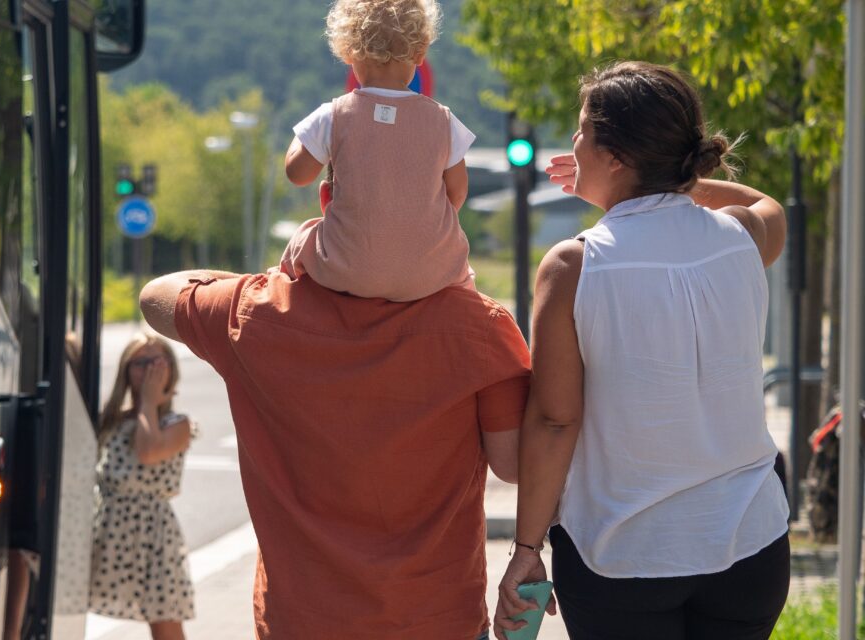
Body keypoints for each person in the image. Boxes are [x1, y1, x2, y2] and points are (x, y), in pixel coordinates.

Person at [494, 61, 790, 640]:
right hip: (751, 543)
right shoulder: (742, 238)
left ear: (615, 157)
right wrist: (677, 178)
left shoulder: (574, 266)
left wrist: (526, 549)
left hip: (623, 554)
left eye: (582, 130)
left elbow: (556, 421)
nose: (573, 142)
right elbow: (766, 202)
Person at [138, 266, 529, 638]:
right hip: (437, 620)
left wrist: (281, 277)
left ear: (327, 202)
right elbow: (513, 465)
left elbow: (157, 296)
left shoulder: (258, 309)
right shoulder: (478, 325)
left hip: (301, 623)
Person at [277, 0, 477, 302]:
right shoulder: (444, 121)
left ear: (347, 52)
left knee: (303, 236)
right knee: (463, 270)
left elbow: (297, 174)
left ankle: (285, 296)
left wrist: (305, 134)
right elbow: (457, 192)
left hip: (345, 269)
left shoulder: (334, 115)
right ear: (420, 53)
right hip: (430, 274)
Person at [89, 333, 196, 640]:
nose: (149, 371)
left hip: (153, 536)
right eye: (140, 363)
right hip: (107, 529)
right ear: (125, 370)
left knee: (165, 622)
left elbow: (148, 452)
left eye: (157, 363)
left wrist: (149, 401)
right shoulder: (111, 420)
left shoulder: (177, 424)